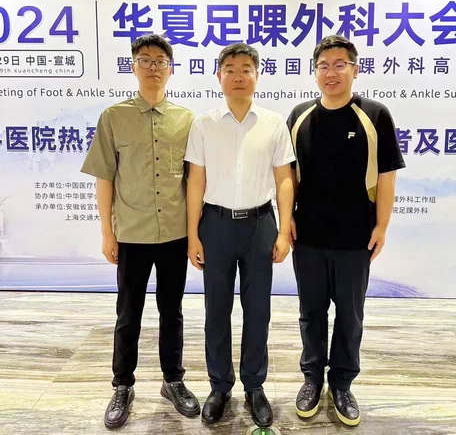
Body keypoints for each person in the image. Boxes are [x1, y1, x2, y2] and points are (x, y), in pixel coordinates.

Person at [81, 34, 200, 429]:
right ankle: (122, 385)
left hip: (174, 234)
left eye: (160, 61)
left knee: (172, 311)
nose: (153, 67)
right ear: (133, 66)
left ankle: (173, 380)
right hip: (131, 233)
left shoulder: (187, 120)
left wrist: (195, 234)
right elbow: (104, 178)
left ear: (171, 69)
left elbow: (194, 182)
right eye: (145, 60)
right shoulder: (114, 117)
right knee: (128, 313)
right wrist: (107, 233)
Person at [287, 35, 405, 426]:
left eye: (340, 64)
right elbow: (287, 177)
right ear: (314, 72)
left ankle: (341, 383)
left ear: (355, 69)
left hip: (355, 236)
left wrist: (382, 226)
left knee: (350, 315)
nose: (331, 72)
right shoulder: (299, 115)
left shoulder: (374, 114)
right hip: (308, 236)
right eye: (323, 65)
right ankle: (312, 379)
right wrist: (286, 219)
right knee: (311, 312)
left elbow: (386, 176)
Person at [185, 43, 295, 428]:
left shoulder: (273, 123)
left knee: (258, 310)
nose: (237, 76)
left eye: (246, 69)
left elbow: (284, 179)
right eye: (229, 69)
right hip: (214, 225)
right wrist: (192, 234)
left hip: (260, 225)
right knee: (216, 309)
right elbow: (195, 181)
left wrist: (284, 230)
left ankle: (254, 385)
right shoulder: (204, 124)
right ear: (218, 76)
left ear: (257, 76)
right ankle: (219, 386)